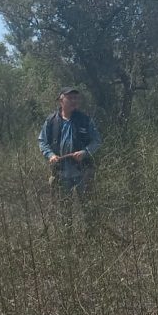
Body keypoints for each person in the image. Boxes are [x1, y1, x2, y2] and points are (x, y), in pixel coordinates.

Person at [38, 87, 102, 230]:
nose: (74, 101)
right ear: (61, 100)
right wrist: (50, 155)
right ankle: (66, 241)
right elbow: (42, 141)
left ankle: (93, 239)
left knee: (89, 208)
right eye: (70, 98)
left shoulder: (85, 120)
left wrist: (85, 152)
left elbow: (97, 141)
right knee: (63, 211)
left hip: (83, 173)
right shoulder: (51, 121)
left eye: (76, 98)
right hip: (61, 174)